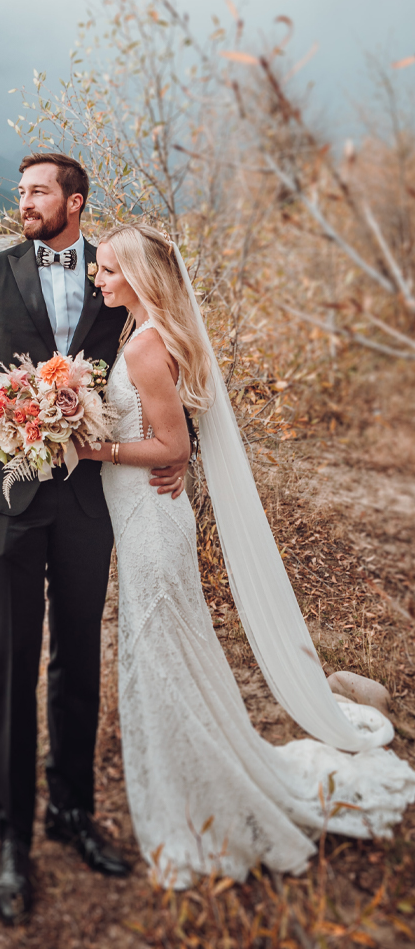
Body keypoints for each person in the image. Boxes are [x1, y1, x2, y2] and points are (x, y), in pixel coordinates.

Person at [76, 223, 415, 886]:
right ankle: (198, 771)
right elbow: (166, 432)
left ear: (139, 276)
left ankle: (207, 795)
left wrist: (97, 449)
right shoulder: (144, 336)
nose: (99, 277)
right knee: (167, 655)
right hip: (145, 515)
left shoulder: (146, 348)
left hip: (150, 524)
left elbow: (172, 449)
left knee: (163, 658)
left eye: (109, 269)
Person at [0, 158, 187, 924]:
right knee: (12, 667)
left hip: (92, 505)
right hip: (13, 506)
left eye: (37, 191)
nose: (23, 202)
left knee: (78, 660)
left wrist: (181, 452)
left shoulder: (115, 274)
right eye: (20, 191)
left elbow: (173, 354)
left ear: (73, 201)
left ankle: (73, 811)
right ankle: (14, 839)